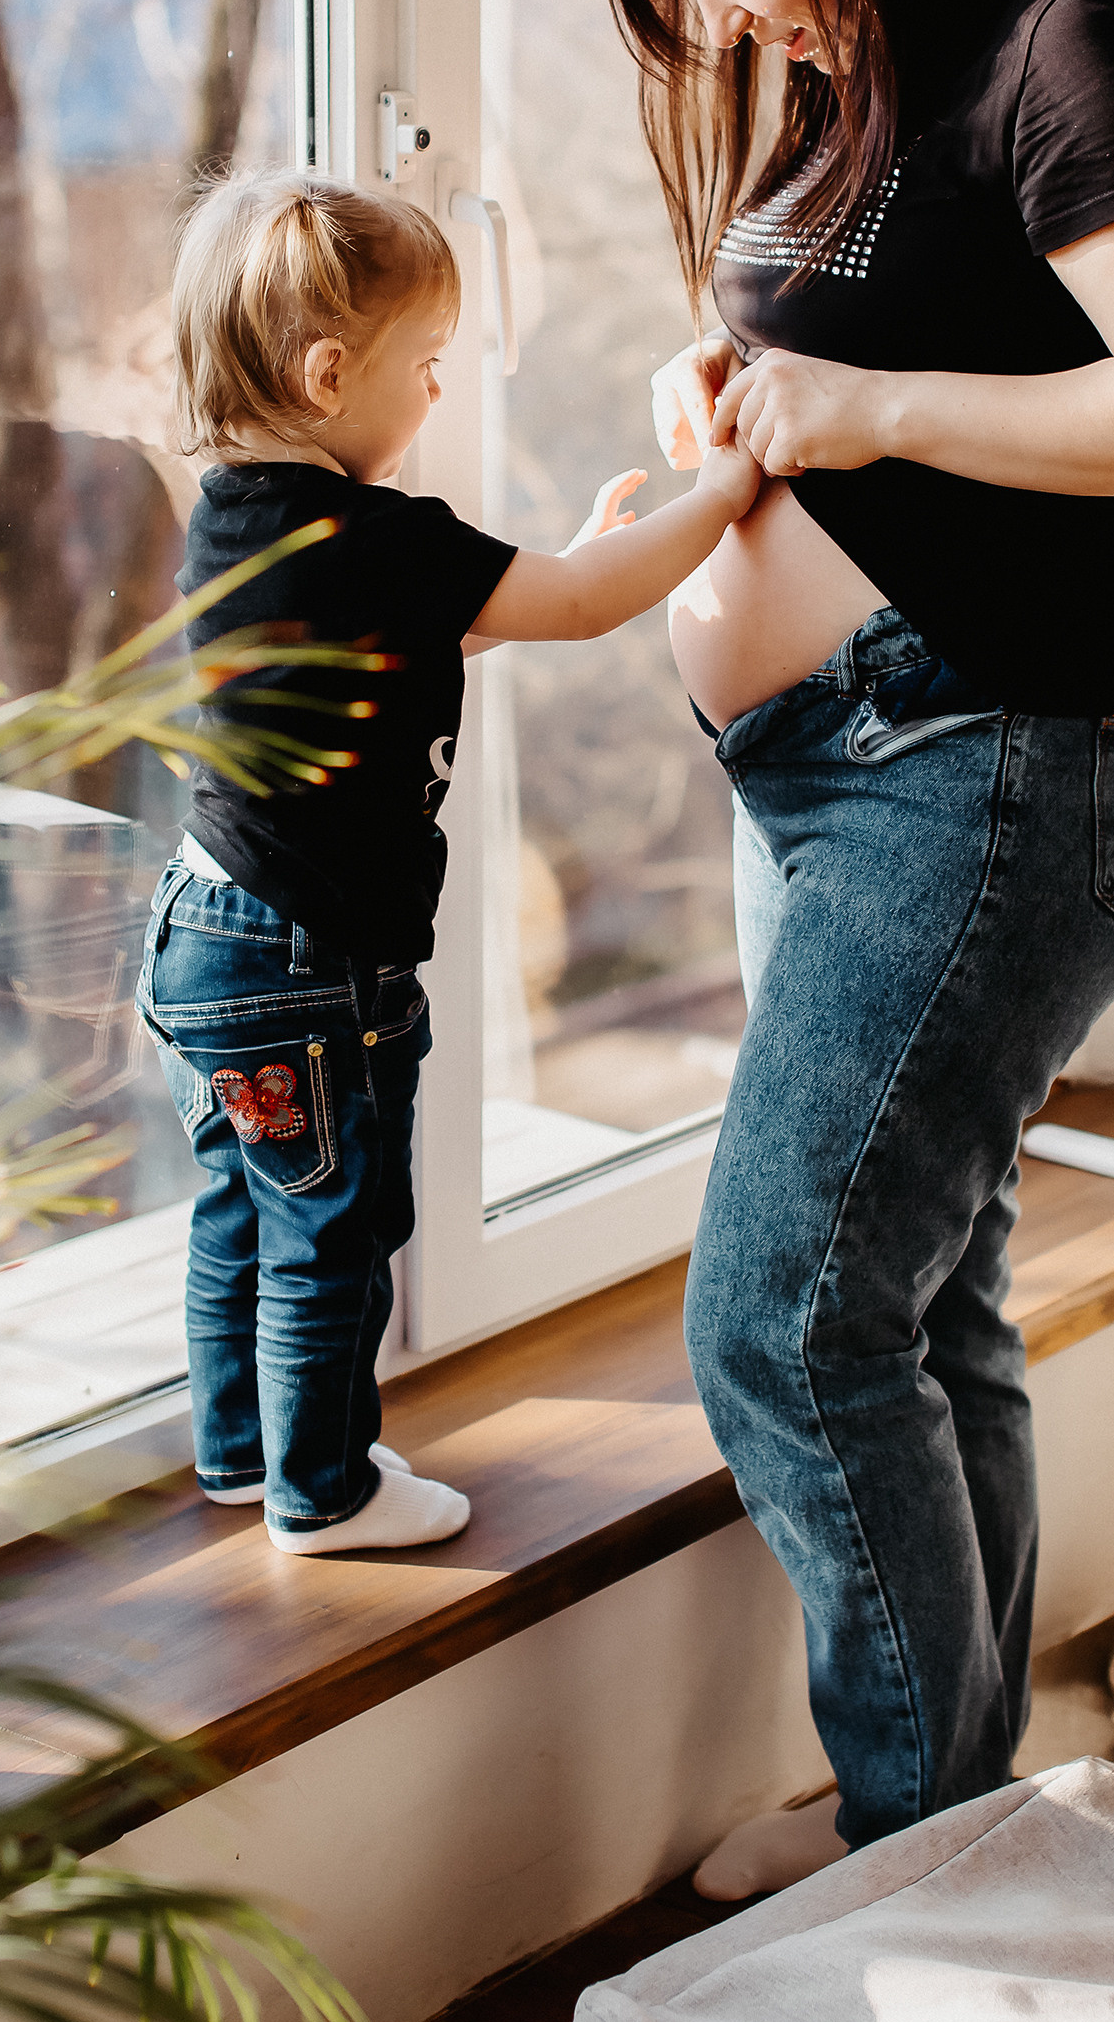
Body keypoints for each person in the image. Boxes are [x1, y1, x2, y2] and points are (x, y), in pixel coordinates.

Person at [593, 0, 1114, 1894]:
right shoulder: (854, 52)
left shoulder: (1069, 36)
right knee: (928, 1293)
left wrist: (871, 411)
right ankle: (957, 1809)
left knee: (785, 1316)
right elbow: (881, 338)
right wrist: (735, 400)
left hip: (989, 767)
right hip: (829, 772)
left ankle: (912, 1848)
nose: (716, 29)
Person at [140, 172, 760, 1558]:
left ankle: (241, 1453)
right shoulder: (384, 537)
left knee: (244, 1207)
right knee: (338, 1226)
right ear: (326, 373)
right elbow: (584, 604)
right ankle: (328, 1491)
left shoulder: (232, 521)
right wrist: (717, 492)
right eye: (426, 368)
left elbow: (416, 640)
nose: (435, 395)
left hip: (206, 937)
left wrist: (565, 565)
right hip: (308, 958)